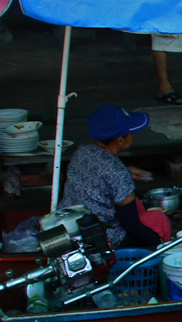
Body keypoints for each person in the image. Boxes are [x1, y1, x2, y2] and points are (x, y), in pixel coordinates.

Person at [60, 103, 170, 250]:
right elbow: (131, 224)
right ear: (120, 140)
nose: (133, 135)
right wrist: (159, 245)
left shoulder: (82, 151)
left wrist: (126, 171)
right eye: (130, 132)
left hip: (69, 227)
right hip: (101, 240)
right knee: (158, 219)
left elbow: (100, 172)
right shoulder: (118, 173)